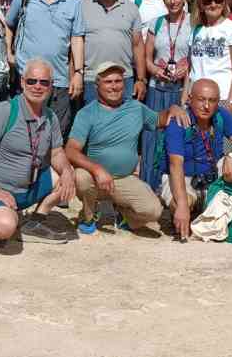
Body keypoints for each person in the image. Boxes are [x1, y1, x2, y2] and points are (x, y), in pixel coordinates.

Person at [68, 62, 191, 234]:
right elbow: (71, 150)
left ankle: (125, 216)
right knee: (81, 178)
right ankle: (88, 216)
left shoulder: (136, 107)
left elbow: (159, 119)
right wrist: (96, 169)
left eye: (118, 81)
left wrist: (173, 108)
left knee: (154, 211)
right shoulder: (86, 113)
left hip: (124, 178)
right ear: (97, 86)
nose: (114, 86)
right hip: (95, 179)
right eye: (108, 82)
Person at [0, 60, 78, 245]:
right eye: (31, 81)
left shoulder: (50, 117)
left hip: (30, 188)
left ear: (51, 86)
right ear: (21, 82)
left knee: (69, 175)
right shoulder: (5, 111)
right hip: (0, 192)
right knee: (4, 228)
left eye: (44, 82)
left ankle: (35, 223)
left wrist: (67, 171)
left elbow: (57, 152)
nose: (37, 86)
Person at [163, 79, 232, 239]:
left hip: (211, 175)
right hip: (183, 178)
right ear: (190, 98)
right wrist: (183, 205)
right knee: (181, 202)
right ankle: (188, 216)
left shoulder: (221, 115)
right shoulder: (178, 121)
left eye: (212, 100)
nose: (206, 106)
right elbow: (175, 166)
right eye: (201, 99)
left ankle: (228, 217)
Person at [6, 0, 85, 138]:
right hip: (26, 79)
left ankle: (49, 168)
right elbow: (9, 26)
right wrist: (9, 53)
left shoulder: (73, 2)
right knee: (22, 133)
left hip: (59, 80)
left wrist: (78, 73)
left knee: (56, 134)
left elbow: (77, 38)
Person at [140, 0, 193, 189]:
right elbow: (145, 58)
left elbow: (196, 57)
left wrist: (186, 67)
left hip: (181, 90)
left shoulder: (194, 22)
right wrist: (156, 70)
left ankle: (173, 188)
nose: (173, 1)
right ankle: (148, 186)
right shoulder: (157, 23)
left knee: (176, 139)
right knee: (152, 138)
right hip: (157, 89)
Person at [78, 0, 145, 104]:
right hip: (92, 80)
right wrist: (75, 75)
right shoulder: (82, 6)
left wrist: (140, 79)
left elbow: (138, 45)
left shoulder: (131, 8)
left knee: (123, 124)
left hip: (123, 79)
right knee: (94, 124)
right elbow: (76, 43)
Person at [188, 0, 232, 107]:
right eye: (207, 2)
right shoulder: (196, 30)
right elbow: (190, 69)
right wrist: (184, 97)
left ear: (223, 2)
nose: (213, 4)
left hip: (221, 97)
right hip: (196, 98)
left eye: (218, 0)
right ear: (201, 6)